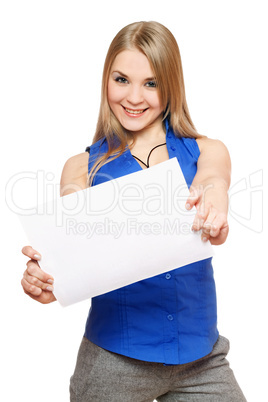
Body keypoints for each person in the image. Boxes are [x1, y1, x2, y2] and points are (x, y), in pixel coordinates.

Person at [21, 21, 246, 401]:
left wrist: (214, 206)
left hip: (201, 358)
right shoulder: (82, 168)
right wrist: (45, 277)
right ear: (105, 80)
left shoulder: (207, 151)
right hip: (113, 361)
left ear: (170, 86)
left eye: (151, 83)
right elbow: (71, 250)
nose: (134, 97)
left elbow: (212, 181)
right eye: (121, 79)